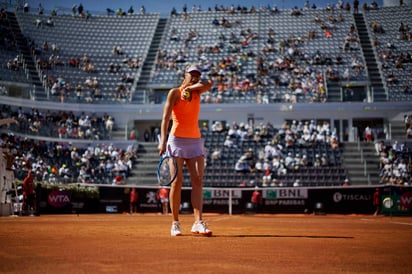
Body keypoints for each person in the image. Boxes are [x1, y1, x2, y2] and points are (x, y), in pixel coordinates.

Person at [158, 63, 213, 236]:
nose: (195, 76)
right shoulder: (174, 92)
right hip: (176, 141)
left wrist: (192, 87)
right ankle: (175, 223)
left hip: (195, 141)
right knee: (177, 182)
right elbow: (165, 118)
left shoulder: (198, 91)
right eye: (191, 74)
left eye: (197, 74)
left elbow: (209, 83)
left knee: (197, 180)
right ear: (185, 74)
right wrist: (163, 141)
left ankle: (198, 222)